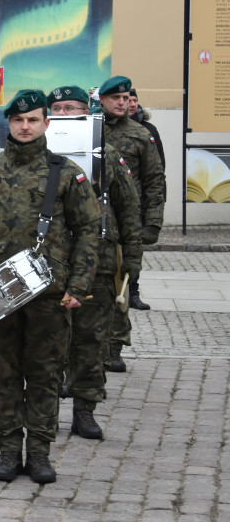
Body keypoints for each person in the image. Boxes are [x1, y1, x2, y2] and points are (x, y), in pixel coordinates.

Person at [0, 89, 101, 484]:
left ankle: (38, 452)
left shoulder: (66, 173)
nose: (25, 126)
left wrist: (79, 283)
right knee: (2, 373)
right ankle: (7, 451)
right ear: (10, 123)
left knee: (44, 374)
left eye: (33, 120)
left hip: (49, 296)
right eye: (18, 120)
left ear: (45, 124)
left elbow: (89, 230)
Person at [48, 86, 142, 440]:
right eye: (57, 108)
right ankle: (47, 408)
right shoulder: (38, 156)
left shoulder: (107, 155)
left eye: (71, 108)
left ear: (85, 113)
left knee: (90, 342)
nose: (64, 114)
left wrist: (132, 260)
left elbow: (129, 208)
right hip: (50, 264)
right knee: (49, 341)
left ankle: (85, 411)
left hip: (98, 264)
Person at [98, 76, 164, 342]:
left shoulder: (140, 135)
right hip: (92, 219)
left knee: (121, 282)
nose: (123, 103)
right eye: (116, 98)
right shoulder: (90, 131)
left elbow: (154, 181)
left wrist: (153, 223)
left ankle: (116, 345)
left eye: (126, 98)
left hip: (126, 221)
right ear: (102, 100)